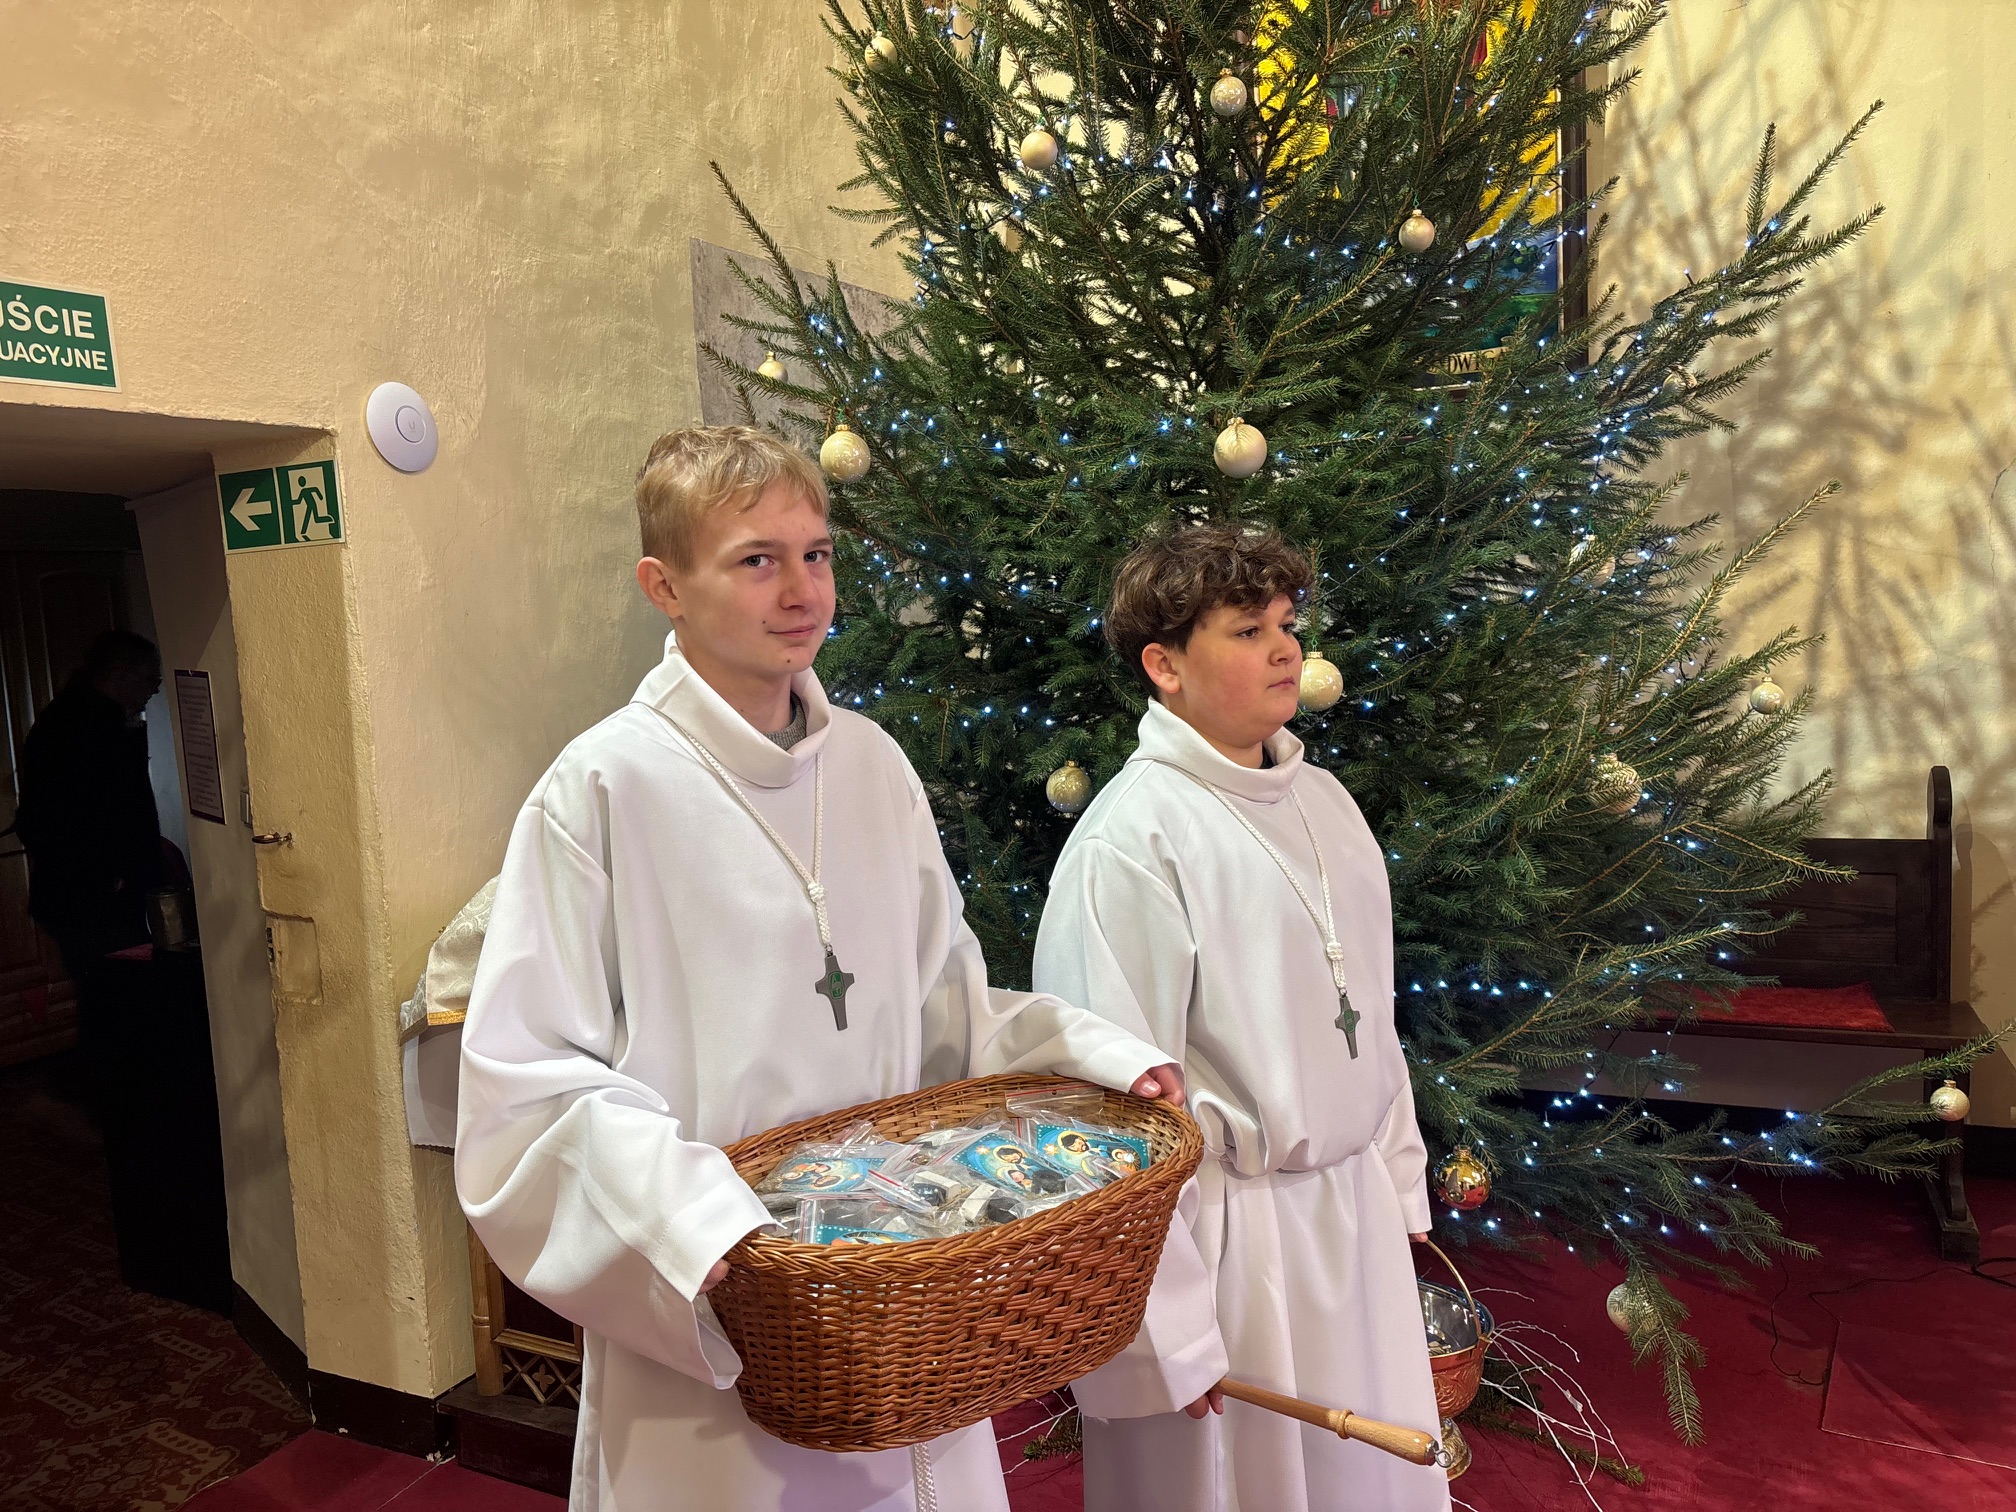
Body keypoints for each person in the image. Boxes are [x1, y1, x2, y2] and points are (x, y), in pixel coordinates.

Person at [454, 426, 1184, 1512]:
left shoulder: (872, 763)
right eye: (757, 560)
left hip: (908, 1304)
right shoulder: (603, 788)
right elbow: (526, 1084)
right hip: (736, 1301)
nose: (802, 591)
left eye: (817, 554)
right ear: (665, 586)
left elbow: (945, 1009)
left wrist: (1092, 1058)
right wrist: (688, 1221)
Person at [1034, 525, 1451, 1512]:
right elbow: (1104, 1110)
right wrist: (1165, 1332)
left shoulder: (1327, 803)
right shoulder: (1132, 840)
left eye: (1287, 625)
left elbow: (1372, 1017)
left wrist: (1398, 1191)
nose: (1284, 650)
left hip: (1349, 1214)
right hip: (1231, 1246)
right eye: (1247, 630)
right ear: (1165, 665)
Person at [17, 629, 166, 981]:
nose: (155, 689)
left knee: (106, 989)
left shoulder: (80, 717)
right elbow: (66, 815)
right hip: (94, 900)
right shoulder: (88, 727)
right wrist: (111, 876)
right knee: (117, 989)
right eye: (151, 679)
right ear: (120, 674)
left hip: (83, 895)